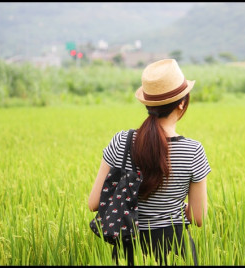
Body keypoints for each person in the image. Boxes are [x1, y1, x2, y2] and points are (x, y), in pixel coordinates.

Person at [88, 59, 211, 265]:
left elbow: (94, 203)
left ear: (147, 103)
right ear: (182, 102)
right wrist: (173, 204)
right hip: (176, 249)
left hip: (129, 247)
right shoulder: (193, 151)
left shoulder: (121, 141)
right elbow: (198, 218)